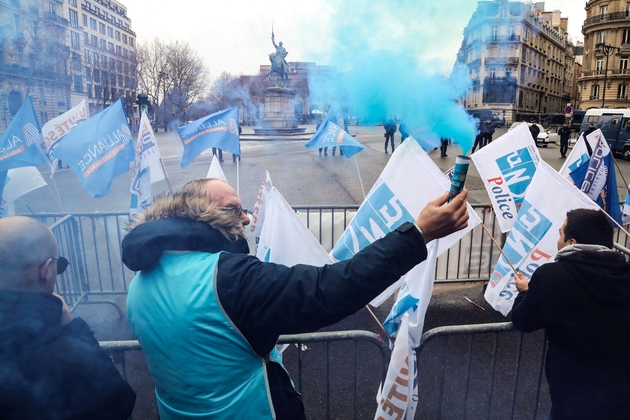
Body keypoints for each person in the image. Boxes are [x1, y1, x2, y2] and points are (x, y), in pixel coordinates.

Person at [122, 178, 469, 419]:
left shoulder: (140, 282)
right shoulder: (227, 278)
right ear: (199, 213)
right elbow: (328, 289)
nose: (246, 218)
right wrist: (418, 234)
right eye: (233, 209)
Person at [0, 216, 136, 419]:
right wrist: (74, 330)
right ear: (46, 270)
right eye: (59, 264)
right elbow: (119, 402)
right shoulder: (71, 356)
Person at [512, 209, 630, 420]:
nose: (558, 240)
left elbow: (523, 319)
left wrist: (527, 292)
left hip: (573, 405)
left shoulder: (551, 277)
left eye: (560, 234)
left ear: (571, 242)